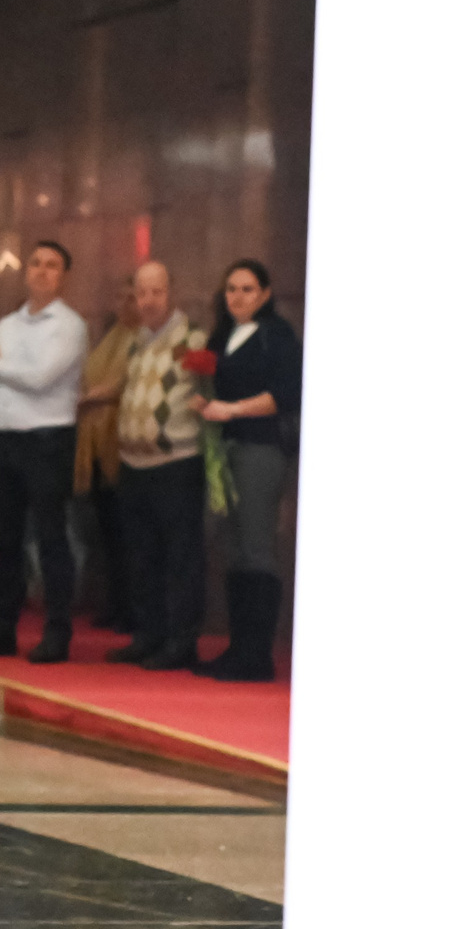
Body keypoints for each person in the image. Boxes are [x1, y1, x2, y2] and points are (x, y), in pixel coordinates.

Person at [0, 242, 90, 662]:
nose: (42, 271)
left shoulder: (70, 326)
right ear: (25, 271)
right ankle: (2, 627)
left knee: (51, 537)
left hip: (48, 440)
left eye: (52, 265)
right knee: (7, 539)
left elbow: (41, 378)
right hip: (5, 440)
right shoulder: (6, 326)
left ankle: (57, 631)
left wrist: (1, 366)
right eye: (35, 263)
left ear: (64, 275)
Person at [193, 258, 302, 680]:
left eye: (247, 289)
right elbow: (212, 385)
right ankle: (238, 649)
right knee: (235, 549)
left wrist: (232, 409)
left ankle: (257, 655)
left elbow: (285, 393)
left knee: (256, 547)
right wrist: (204, 404)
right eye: (232, 289)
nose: (238, 297)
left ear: (265, 294)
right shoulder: (222, 336)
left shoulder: (276, 335)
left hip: (260, 446)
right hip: (227, 449)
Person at [99, 260, 210, 670]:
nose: (147, 301)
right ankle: (147, 636)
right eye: (141, 293)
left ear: (172, 293)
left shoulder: (191, 339)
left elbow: (210, 386)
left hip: (176, 463)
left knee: (180, 556)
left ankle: (181, 642)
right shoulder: (136, 342)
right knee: (141, 555)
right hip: (134, 464)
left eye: (156, 292)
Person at [76, 285, 140, 633]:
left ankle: (131, 607)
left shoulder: (142, 340)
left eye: (133, 297)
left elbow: (122, 383)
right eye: (121, 296)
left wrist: (93, 396)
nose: (126, 303)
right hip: (96, 447)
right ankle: (114, 602)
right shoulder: (110, 338)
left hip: (123, 446)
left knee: (127, 534)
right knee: (106, 535)